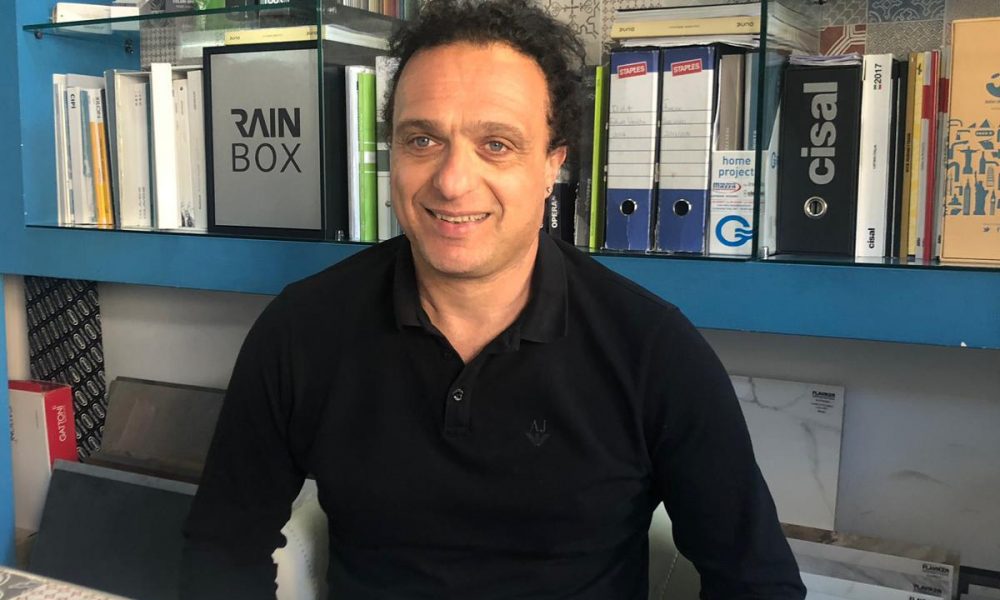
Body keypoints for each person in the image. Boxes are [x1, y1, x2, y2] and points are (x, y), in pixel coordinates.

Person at [181, 0, 806, 597]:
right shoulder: (301, 330)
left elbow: (758, 583)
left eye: (497, 145)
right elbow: (222, 553)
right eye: (422, 140)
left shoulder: (652, 351)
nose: (453, 182)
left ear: (552, 165)